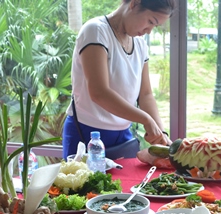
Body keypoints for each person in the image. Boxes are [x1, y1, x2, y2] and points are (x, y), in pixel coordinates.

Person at [62, 0, 175, 160]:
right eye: (150, 21)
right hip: (87, 132)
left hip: (123, 135)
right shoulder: (96, 31)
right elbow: (99, 93)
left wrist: (161, 134)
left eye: (154, 26)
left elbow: (146, 95)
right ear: (134, 4)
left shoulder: (140, 44)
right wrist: (146, 119)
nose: (149, 31)